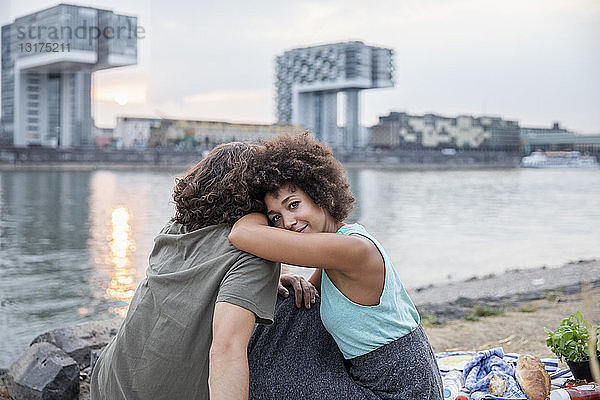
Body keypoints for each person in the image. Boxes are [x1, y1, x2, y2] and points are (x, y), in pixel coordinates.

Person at [229, 132, 443, 399]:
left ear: (320, 194)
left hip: (401, 390)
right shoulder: (334, 249)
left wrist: (257, 217)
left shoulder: (352, 249)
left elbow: (241, 234)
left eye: (293, 205)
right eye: (276, 218)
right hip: (375, 378)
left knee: (267, 379)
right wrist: (285, 276)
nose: (288, 222)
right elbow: (307, 300)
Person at [90, 142, 281, 400]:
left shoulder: (174, 229)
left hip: (107, 381)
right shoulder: (254, 253)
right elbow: (226, 351)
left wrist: (268, 284)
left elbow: (197, 280)